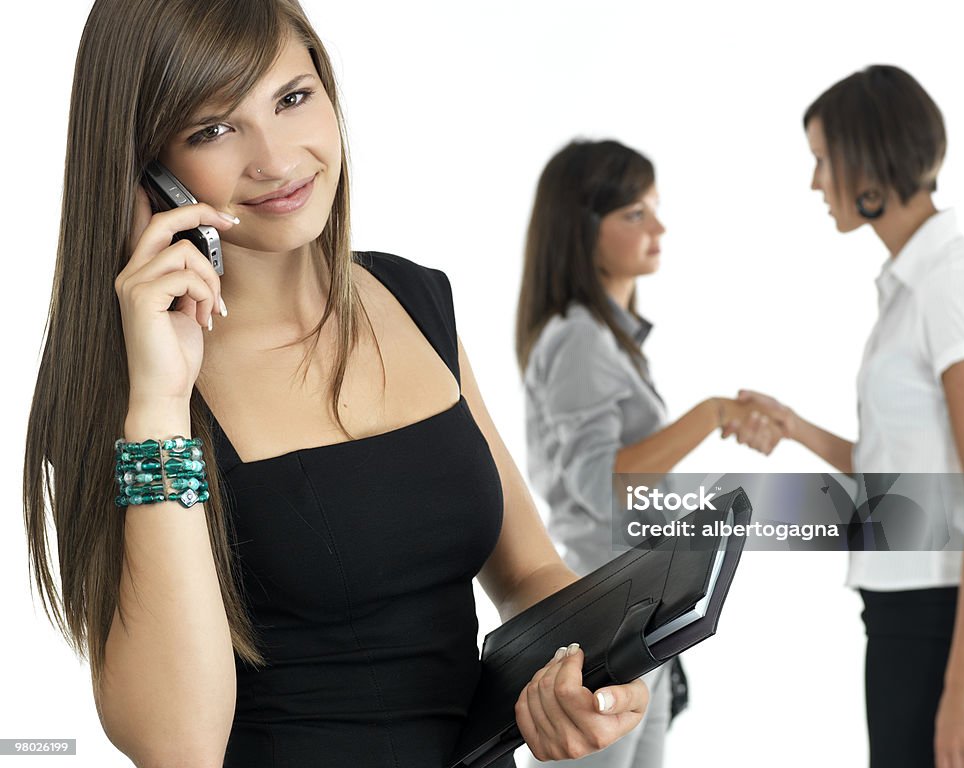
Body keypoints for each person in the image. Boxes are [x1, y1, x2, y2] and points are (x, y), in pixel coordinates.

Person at [21, 2, 651, 766]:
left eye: (292, 98)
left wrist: (598, 665)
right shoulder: (128, 391)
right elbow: (175, 745)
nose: (278, 159)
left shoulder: (416, 300)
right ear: (147, 169)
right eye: (212, 129)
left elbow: (527, 572)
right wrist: (158, 405)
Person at [724, 65, 964, 768]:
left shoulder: (948, 282)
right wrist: (796, 427)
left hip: (941, 618)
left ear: (869, 159)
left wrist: (962, 684)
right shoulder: (909, 288)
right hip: (904, 612)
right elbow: (906, 471)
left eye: (823, 159)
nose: (815, 182)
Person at [515, 139, 777, 767]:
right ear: (583, 229)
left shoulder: (608, 339)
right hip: (601, 617)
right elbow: (604, 486)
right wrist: (711, 414)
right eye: (634, 213)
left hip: (637, 616)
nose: (658, 227)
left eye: (654, 208)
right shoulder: (579, 336)